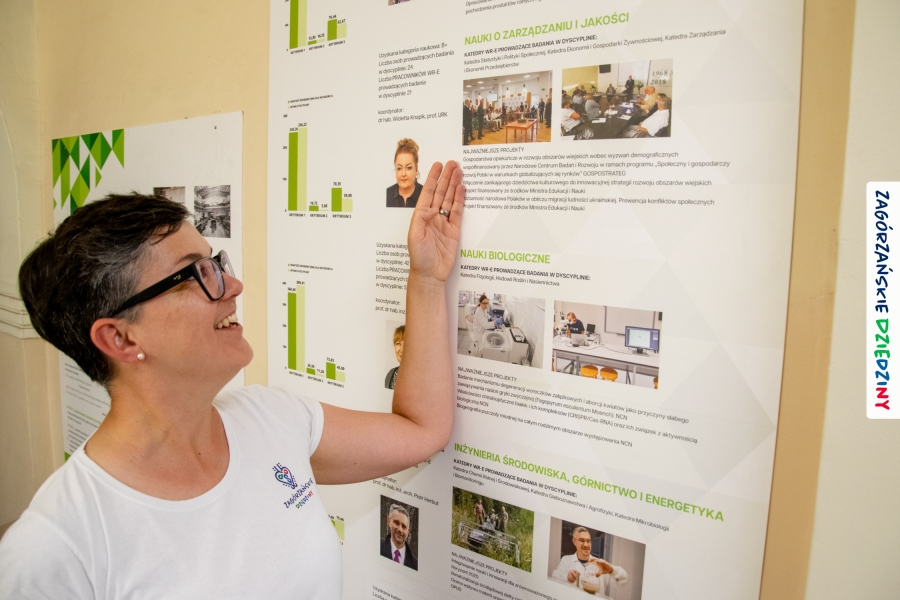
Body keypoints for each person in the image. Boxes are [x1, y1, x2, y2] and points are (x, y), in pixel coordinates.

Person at [0, 160, 465, 597]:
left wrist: (426, 279)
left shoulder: (272, 418)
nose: (233, 285)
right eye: (196, 274)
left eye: (216, 263)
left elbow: (422, 430)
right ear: (120, 338)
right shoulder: (53, 548)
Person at [551, 527, 628, 589]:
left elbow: (623, 580)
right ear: (574, 541)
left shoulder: (600, 565)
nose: (586, 545)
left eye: (588, 541)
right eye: (582, 540)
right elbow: (555, 578)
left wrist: (612, 570)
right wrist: (567, 578)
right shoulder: (566, 560)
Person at [386, 138, 423, 207]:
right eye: (399, 168)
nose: (403, 174)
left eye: (409, 168)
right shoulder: (387, 195)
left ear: (416, 168)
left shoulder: (425, 194)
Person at [380, 504, 418, 570]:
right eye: (396, 523)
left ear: (408, 531)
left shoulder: (415, 564)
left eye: (404, 527)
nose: (400, 530)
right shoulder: (377, 545)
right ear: (389, 521)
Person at [385, 325, 405, 389]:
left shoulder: (422, 376)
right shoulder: (391, 374)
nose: (402, 350)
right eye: (398, 343)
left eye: (407, 344)